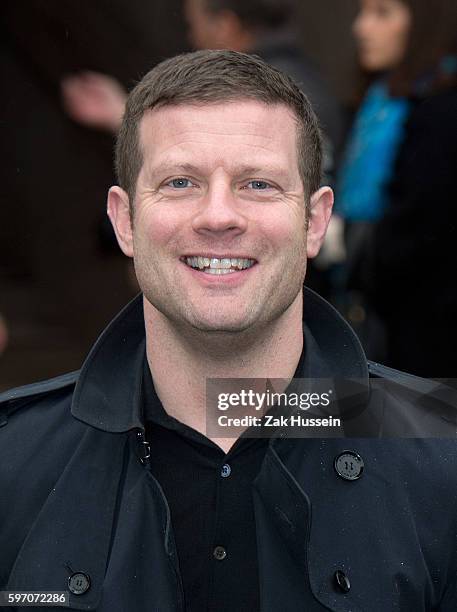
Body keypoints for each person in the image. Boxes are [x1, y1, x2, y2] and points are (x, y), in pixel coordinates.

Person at [1, 50, 457, 611]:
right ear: (124, 221)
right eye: (180, 182)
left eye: (259, 184)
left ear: (314, 222)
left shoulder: (442, 453)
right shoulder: (11, 462)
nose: (219, 216)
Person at [61, 0, 343, 177]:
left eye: (192, 25)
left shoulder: (254, 96)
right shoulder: (305, 82)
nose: (191, 38)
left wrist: (120, 116)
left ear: (224, 27)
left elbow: (197, 168)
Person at [334, 0, 457, 375]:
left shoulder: (442, 113)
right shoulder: (380, 103)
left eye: (382, 13)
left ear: (423, 25)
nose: (361, 27)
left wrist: (355, 250)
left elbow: (415, 236)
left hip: (427, 344)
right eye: (363, 12)